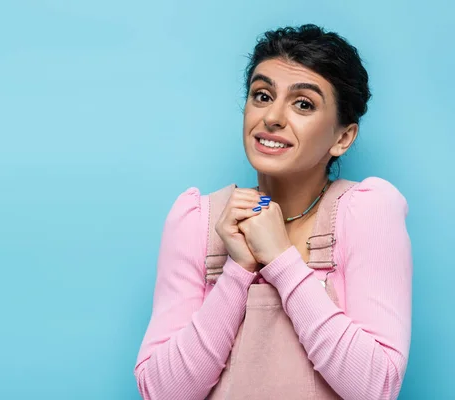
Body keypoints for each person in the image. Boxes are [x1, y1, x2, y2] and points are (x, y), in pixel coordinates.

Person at [133, 24, 412, 400]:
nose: (273, 117)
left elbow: (376, 387)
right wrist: (238, 269)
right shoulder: (198, 220)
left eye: (303, 104)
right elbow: (161, 392)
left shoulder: (366, 213)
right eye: (262, 95)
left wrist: (281, 260)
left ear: (342, 138)